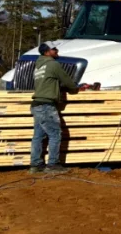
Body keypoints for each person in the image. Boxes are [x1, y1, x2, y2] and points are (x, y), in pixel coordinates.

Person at [30, 42, 78, 174]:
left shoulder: (39, 66)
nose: (56, 51)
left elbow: (48, 83)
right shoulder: (53, 64)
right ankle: (53, 165)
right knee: (55, 134)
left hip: (37, 104)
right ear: (46, 52)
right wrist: (74, 89)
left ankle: (35, 165)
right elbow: (67, 80)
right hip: (46, 105)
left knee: (38, 136)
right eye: (53, 49)